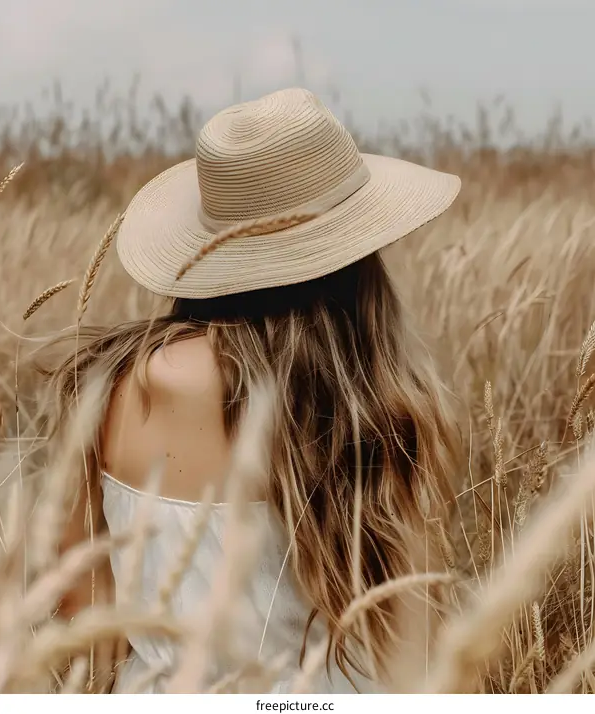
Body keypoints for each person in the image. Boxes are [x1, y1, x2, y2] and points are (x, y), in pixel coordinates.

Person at [47, 87, 461, 693]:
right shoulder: (369, 404)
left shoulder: (111, 383)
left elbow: (84, 613)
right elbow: (411, 645)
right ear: (356, 259)